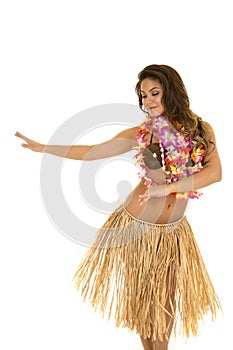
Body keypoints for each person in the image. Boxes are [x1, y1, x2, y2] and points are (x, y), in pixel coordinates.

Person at [15, 64, 222, 350]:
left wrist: (168, 187)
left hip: (172, 232)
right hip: (136, 227)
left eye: (154, 93)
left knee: (164, 301)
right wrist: (44, 148)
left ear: (171, 92)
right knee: (144, 301)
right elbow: (92, 151)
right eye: (143, 96)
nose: (147, 101)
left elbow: (214, 173)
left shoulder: (201, 130)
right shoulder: (142, 133)